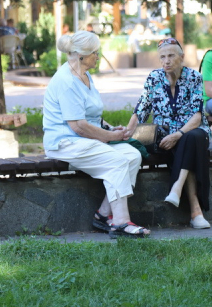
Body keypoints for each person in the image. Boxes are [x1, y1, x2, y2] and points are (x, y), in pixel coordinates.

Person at [43, 30, 150, 238]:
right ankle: (120, 224)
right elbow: (78, 126)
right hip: (65, 142)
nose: (98, 56)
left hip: (83, 139)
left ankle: (103, 215)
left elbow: (91, 116)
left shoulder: (85, 75)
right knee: (117, 160)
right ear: (81, 55)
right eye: (95, 52)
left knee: (132, 155)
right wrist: (110, 137)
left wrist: (110, 129)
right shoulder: (67, 81)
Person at [127, 37, 212, 229]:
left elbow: (197, 117)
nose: (166, 61)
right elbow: (141, 110)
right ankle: (195, 211)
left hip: (191, 133)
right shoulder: (154, 78)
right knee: (186, 146)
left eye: (171, 56)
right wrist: (126, 132)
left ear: (182, 57)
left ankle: (178, 189)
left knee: (191, 138)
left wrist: (179, 134)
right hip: (164, 137)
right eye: (162, 57)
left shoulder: (194, 77)